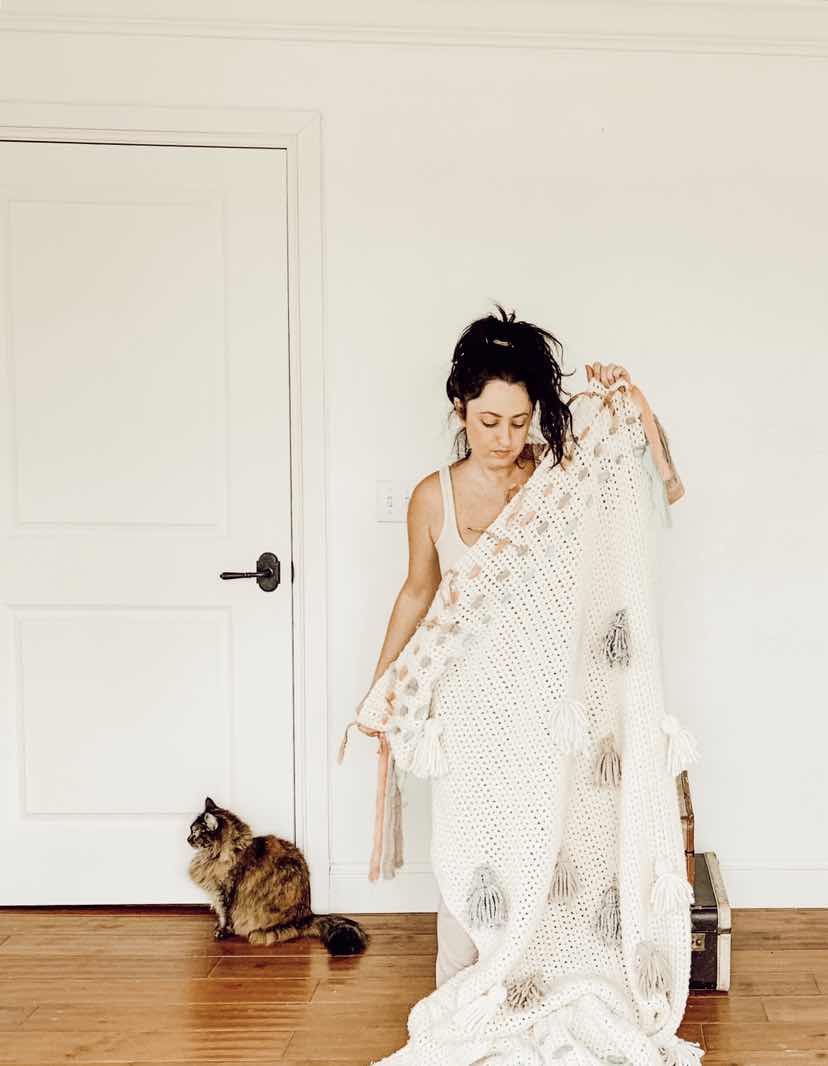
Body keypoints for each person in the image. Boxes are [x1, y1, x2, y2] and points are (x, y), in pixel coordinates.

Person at [357, 303, 631, 987]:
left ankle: (536, 980)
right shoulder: (434, 497)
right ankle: (461, 990)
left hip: (547, 700)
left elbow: (650, 485)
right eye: (488, 422)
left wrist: (623, 399)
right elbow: (417, 593)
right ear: (460, 409)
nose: (505, 438)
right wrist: (381, 687)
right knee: (468, 843)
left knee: (545, 838)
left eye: (518, 420)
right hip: (468, 709)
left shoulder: (557, 481)